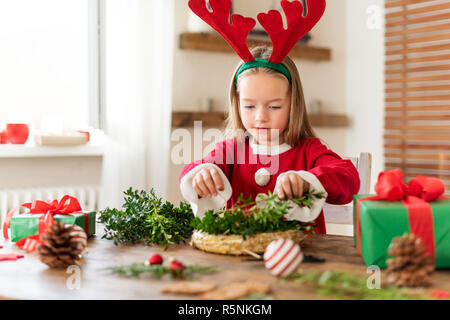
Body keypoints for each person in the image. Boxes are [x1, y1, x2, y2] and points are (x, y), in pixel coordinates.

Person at [179, 46, 360, 234]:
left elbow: (349, 177)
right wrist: (202, 174)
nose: (260, 117)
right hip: (242, 258)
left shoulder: (308, 149)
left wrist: (308, 181)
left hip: (304, 259)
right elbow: (192, 169)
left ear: (293, 104)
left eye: (274, 106)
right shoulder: (232, 149)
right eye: (249, 106)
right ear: (237, 103)